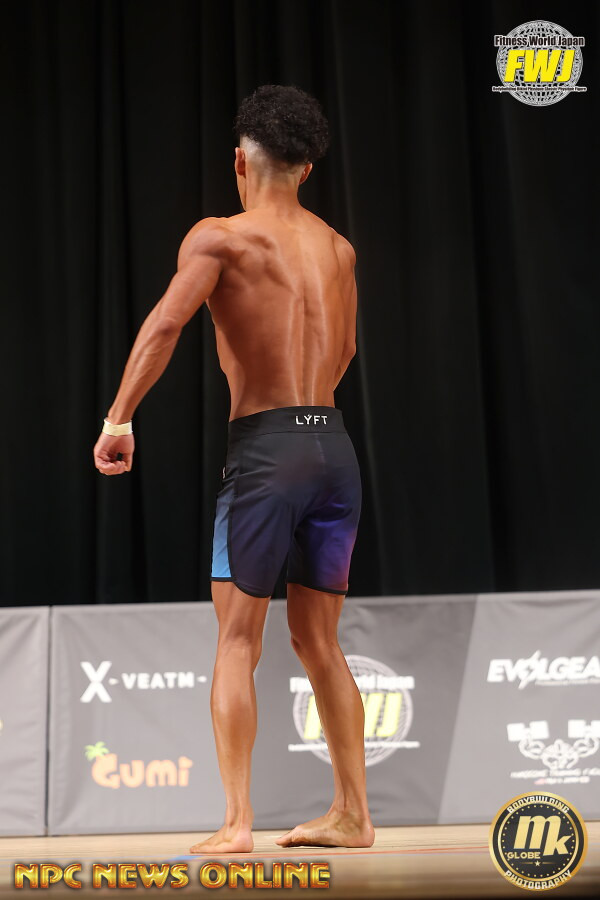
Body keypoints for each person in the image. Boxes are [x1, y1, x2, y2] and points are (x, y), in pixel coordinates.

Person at [93, 84, 374, 852]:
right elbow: (347, 350)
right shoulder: (340, 249)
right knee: (320, 643)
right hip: (334, 449)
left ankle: (238, 821)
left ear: (240, 162)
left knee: (237, 641)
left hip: (265, 452)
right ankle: (354, 814)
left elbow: (165, 325)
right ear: (308, 168)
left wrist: (119, 418)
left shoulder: (221, 238)